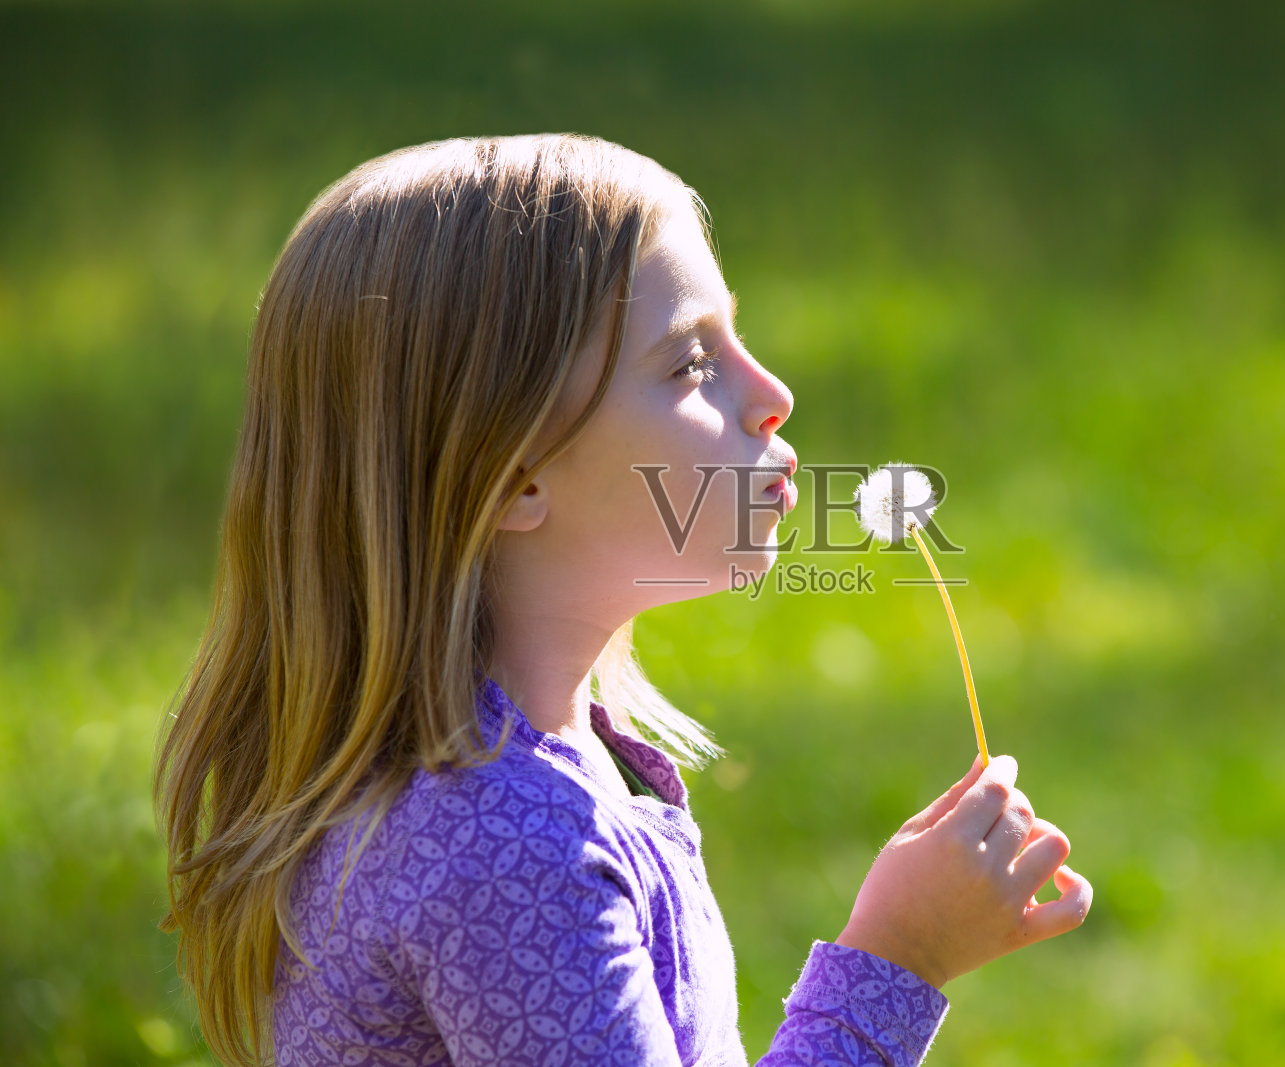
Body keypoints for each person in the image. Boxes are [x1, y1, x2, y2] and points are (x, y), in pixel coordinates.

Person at [154, 133, 1093, 1067]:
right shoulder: (510, 847)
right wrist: (898, 956)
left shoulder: (534, 781)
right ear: (512, 474)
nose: (772, 393)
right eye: (690, 363)